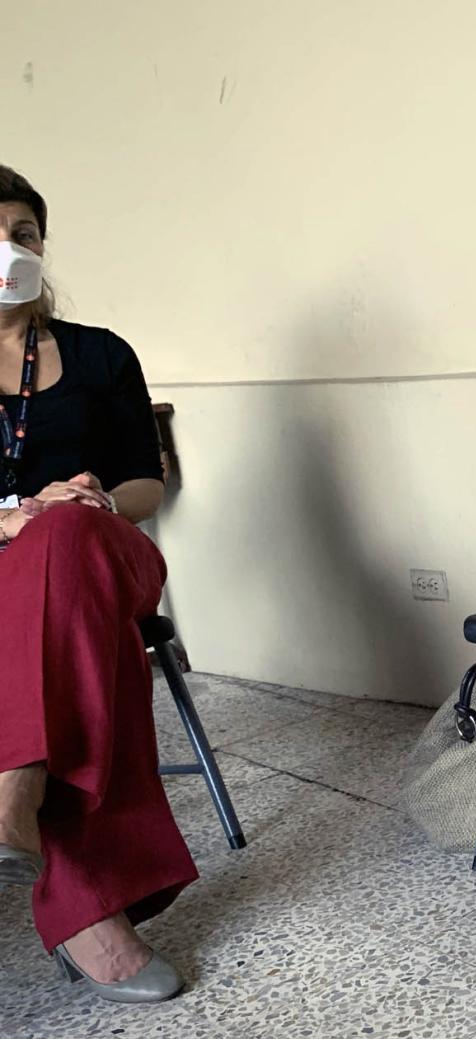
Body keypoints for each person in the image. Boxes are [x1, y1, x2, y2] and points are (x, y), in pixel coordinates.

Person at [0, 166, 191, 1003]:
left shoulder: (102, 353)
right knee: (69, 619)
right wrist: (13, 518)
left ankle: (14, 784)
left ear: (43, 244)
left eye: (23, 232)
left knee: (70, 535)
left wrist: (96, 500)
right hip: (16, 576)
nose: (8, 250)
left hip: (109, 554)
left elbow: (146, 484)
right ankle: (88, 912)